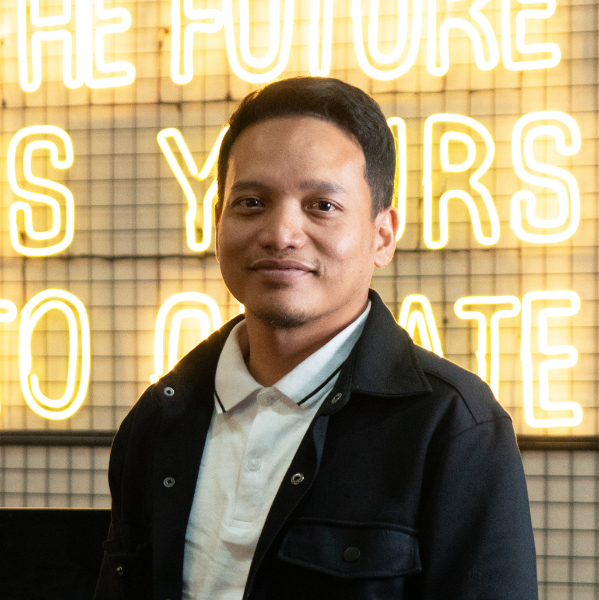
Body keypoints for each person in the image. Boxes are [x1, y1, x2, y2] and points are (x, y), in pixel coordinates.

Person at [95, 76, 538, 600]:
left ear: (382, 236)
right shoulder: (159, 418)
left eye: (322, 206)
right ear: (216, 223)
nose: (280, 234)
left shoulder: (453, 427)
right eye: (251, 202)